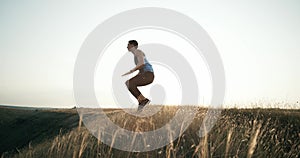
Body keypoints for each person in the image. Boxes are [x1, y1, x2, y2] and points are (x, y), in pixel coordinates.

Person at [122, 40, 154, 111]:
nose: (127, 46)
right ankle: (142, 101)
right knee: (129, 83)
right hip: (146, 74)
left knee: (129, 83)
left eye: (128, 45)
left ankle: (143, 101)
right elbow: (141, 69)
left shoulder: (138, 52)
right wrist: (135, 76)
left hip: (148, 75)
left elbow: (142, 63)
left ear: (133, 46)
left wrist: (131, 71)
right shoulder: (135, 56)